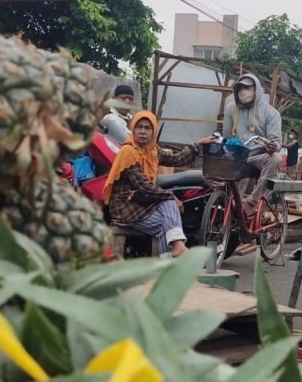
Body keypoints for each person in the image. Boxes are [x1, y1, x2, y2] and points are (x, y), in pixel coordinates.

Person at [103, 111, 215, 258]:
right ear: (133, 129)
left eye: (147, 128)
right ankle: (171, 260)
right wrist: (171, 196)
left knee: (167, 214)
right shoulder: (128, 151)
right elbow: (143, 185)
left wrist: (199, 143)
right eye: (139, 127)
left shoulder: (152, 150)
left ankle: (173, 254)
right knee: (167, 215)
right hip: (125, 208)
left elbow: (177, 159)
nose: (143, 132)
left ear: (153, 131)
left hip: (141, 203)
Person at [222, 74, 282, 212]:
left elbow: (277, 142)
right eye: (240, 88)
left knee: (276, 159)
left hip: (259, 157)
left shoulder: (271, 113)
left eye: (247, 87)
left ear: (256, 89)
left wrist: (273, 147)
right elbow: (227, 135)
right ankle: (222, 202)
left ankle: (252, 202)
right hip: (238, 155)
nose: (243, 91)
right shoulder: (232, 109)